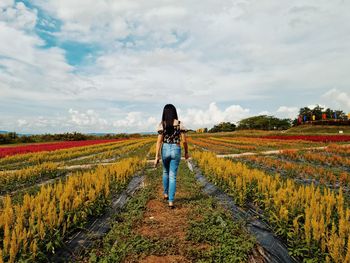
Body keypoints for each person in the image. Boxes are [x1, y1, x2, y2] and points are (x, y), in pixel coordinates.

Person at [154, 104, 189, 209]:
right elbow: (184, 141)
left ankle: (165, 193)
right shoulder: (179, 124)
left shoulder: (162, 124)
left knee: (165, 171)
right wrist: (186, 152)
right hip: (176, 149)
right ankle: (171, 202)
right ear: (174, 112)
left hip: (165, 149)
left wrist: (156, 156)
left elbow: (159, 142)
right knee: (172, 176)